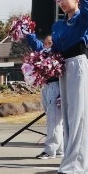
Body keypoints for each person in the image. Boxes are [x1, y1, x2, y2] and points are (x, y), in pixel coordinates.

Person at [51, 0, 88, 174]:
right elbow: (54, 49)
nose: (62, 2)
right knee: (70, 119)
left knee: (78, 117)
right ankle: (84, 168)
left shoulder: (83, 18)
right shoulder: (59, 24)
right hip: (64, 68)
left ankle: (70, 167)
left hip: (78, 65)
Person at [25, 33, 64, 161]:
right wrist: (27, 32)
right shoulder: (43, 53)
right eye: (46, 43)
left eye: (50, 43)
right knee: (53, 118)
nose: (47, 45)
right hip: (46, 86)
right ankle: (59, 149)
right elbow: (35, 44)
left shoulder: (58, 53)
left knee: (54, 119)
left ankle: (50, 149)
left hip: (56, 85)